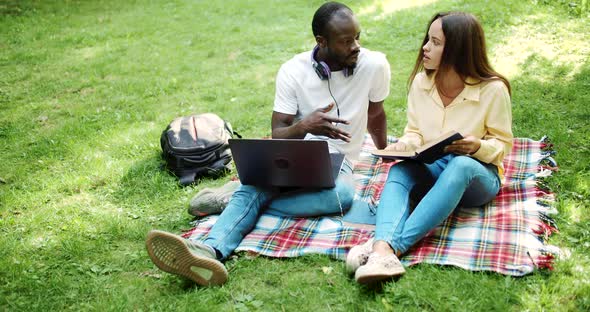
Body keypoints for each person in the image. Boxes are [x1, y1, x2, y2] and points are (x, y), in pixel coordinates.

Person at [146, 1, 391, 287]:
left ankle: (234, 200)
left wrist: (385, 150)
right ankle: (209, 252)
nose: (356, 46)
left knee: (340, 197)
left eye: (358, 37)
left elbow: (376, 112)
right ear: (321, 42)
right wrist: (304, 126)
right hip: (296, 151)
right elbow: (278, 133)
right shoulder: (292, 71)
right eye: (346, 41)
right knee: (261, 182)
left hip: (341, 159)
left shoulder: (374, 65)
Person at [346, 11, 513, 285]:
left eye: (435, 42)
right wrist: (404, 146)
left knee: (460, 165)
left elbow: (502, 145)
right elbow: (415, 132)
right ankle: (381, 248)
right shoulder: (421, 84)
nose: (425, 47)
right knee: (401, 170)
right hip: (435, 168)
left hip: (477, 177)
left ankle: (390, 248)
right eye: (428, 39)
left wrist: (476, 146)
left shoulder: (493, 90)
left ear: (457, 50)